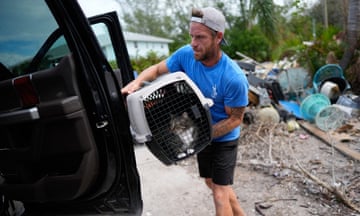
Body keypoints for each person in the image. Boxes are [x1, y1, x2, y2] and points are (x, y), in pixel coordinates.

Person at [121, 6, 248, 216]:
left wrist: (206, 135)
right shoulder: (186, 55)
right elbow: (156, 70)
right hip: (203, 134)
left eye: (200, 37)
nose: (193, 44)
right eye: (191, 36)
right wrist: (137, 82)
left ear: (218, 37)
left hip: (224, 138)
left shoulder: (233, 78)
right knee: (213, 183)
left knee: (219, 193)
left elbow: (235, 119)